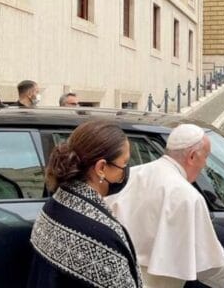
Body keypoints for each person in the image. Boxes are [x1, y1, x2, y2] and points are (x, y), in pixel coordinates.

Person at [106, 124, 224, 288]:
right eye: (205, 157)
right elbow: (207, 263)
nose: (205, 165)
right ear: (192, 156)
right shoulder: (188, 196)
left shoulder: (132, 175)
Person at [28, 120, 142, 287]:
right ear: (101, 168)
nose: (124, 172)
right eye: (123, 164)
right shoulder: (103, 236)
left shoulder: (55, 204)